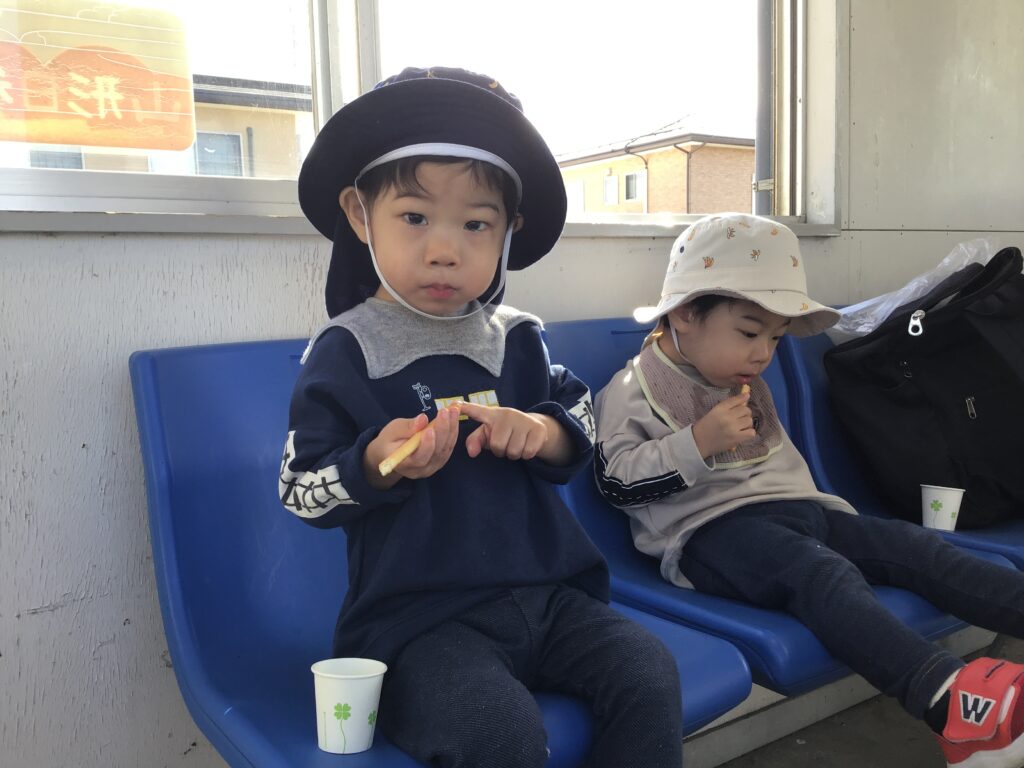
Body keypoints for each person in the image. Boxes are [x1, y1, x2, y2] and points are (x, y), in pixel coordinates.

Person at [278, 66, 683, 768]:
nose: (446, 249)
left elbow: (580, 418)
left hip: (553, 600)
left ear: (507, 233)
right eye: (414, 217)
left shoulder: (518, 337)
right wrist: (372, 464)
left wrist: (545, 432)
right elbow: (298, 488)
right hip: (418, 625)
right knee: (500, 735)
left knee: (650, 673)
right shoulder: (346, 351)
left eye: (476, 223)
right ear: (359, 214)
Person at [593, 211, 1024, 768]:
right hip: (710, 535)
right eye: (749, 332)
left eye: (775, 338)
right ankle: (952, 705)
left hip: (805, 512)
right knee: (819, 573)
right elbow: (616, 481)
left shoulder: (738, 376)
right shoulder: (632, 389)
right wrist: (696, 443)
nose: (763, 354)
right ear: (685, 313)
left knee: (916, 548)